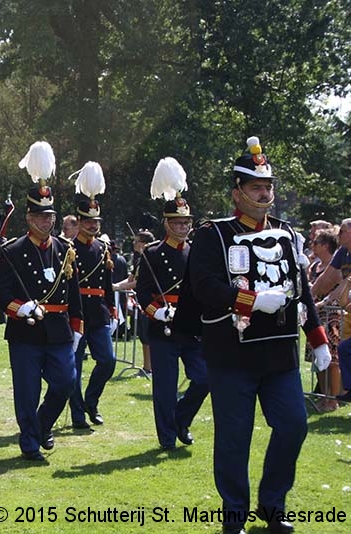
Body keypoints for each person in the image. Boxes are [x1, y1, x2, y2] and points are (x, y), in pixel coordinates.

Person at [185, 136, 331, 534]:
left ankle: (272, 505)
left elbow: (300, 289)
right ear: (237, 192)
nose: (265, 194)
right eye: (256, 187)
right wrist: (250, 301)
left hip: (280, 355)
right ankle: (234, 515)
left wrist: (317, 337)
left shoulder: (287, 233)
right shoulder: (213, 235)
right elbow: (205, 287)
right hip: (232, 356)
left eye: (268, 186)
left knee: (294, 426)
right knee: (234, 439)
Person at [0, 141, 82, 461]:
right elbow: (0, 293)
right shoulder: (13, 251)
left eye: (51, 216)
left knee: (66, 382)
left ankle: (43, 425)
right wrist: (20, 308)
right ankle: (30, 442)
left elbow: (74, 292)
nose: (47, 222)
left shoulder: (64, 249)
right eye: (41, 216)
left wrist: (77, 326)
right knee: (27, 392)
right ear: (29, 217)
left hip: (58, 329)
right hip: (26, 331)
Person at [137, 157, 208, 450]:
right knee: (165, 388)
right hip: (163, 328)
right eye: (178, 222)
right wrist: (158, 312)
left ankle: (181, 419)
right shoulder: (152, 253)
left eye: (186, 222)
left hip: (190, 327)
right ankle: (167, 437)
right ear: (166, 223)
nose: (183, 227)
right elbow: (142, 294)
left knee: (204, 378)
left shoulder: (197, 252)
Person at [67, 161, 116, 429]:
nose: (93, 225)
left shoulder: (103, 249)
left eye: (96, 221)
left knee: (107, 361)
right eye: (88, 221)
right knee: (74, 367)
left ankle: (91, 401)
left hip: (98, 312)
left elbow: (107, 284)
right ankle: (77, 415)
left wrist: (112, 309)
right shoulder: (68, 248)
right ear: (79, 222)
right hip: (76, 313)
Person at [308, 228, 343, 412]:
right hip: (316, 316)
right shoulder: (314, 267)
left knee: (333, 357)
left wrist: (321, 301)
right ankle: (323, 396)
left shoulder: (336, 265)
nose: (311, 245)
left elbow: (334, 286)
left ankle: (333, 399)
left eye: (315, 242)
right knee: (318, 357)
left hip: (332, 316)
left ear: (325, 245)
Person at [114, 229, 156, 374]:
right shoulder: (139, 260)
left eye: (137, 241)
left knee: (149, 337)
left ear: (145, 243)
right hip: (140, 303)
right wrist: (116, 286)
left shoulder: (150, 260)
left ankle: (150, 368)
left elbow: (139, 283)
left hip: (151, 303)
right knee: (143, 336)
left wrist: (119, 287)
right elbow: (131, 278)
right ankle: (146, 367)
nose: (134, 243)